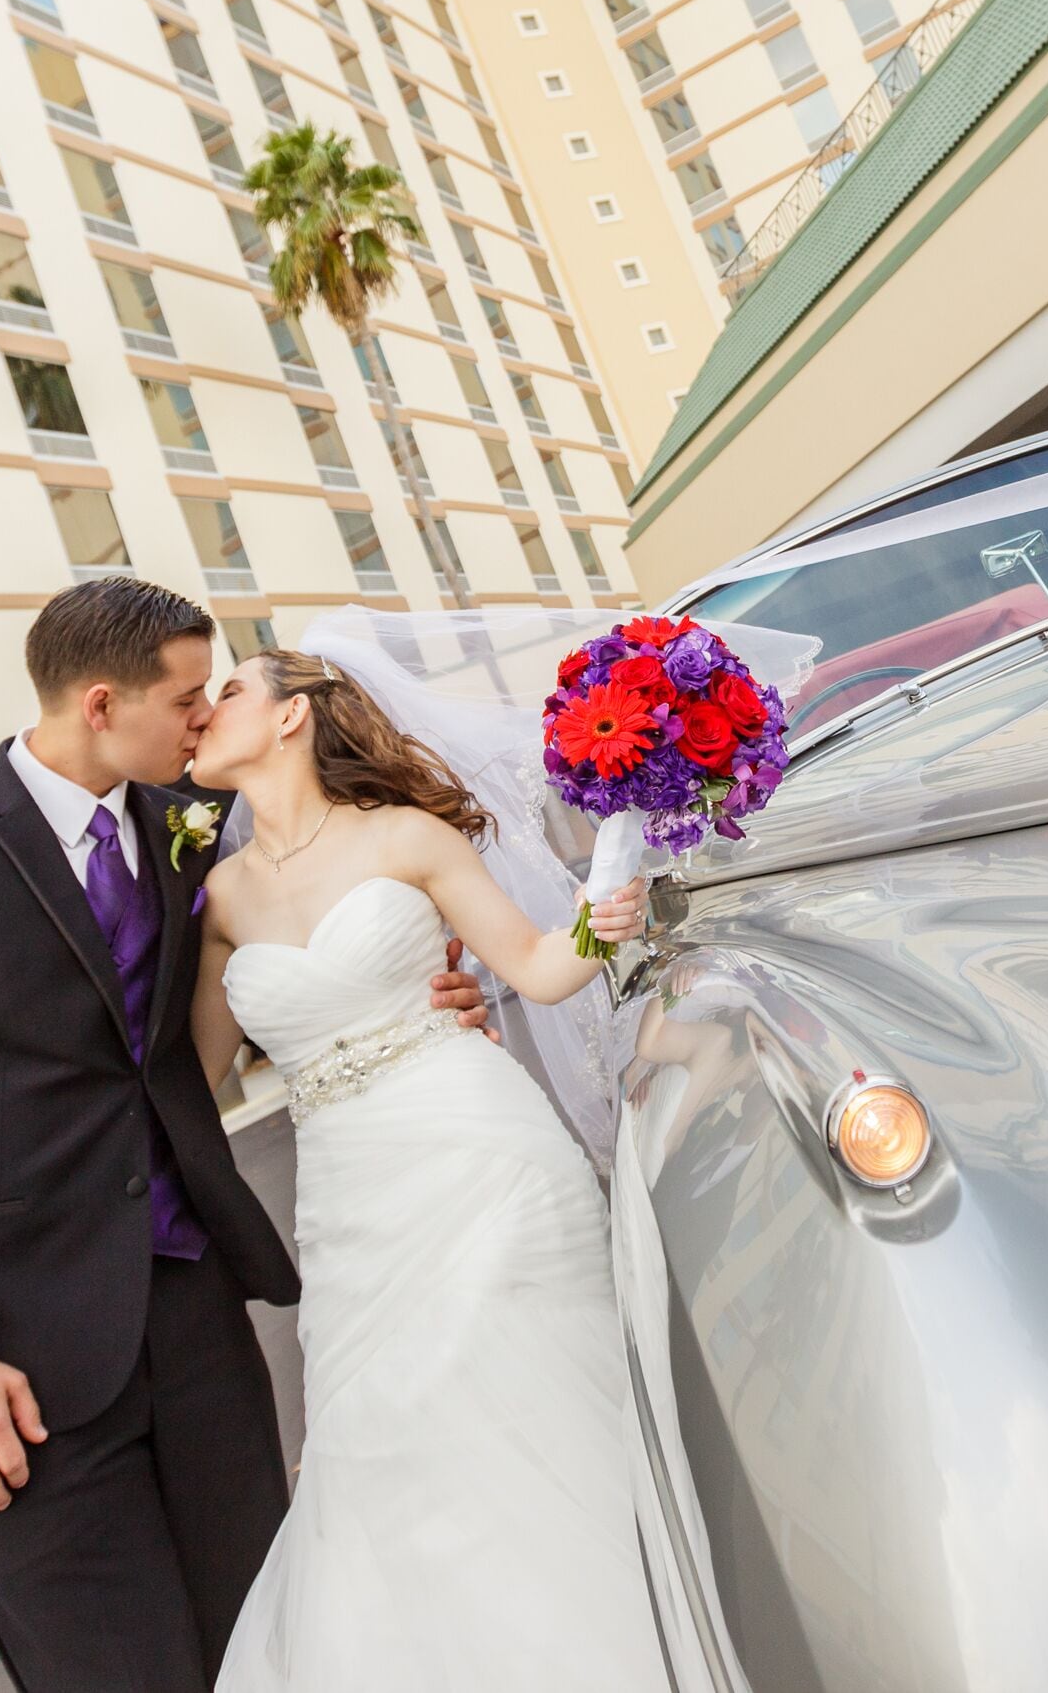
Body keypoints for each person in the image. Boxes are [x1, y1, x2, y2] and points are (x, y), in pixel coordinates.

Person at [0, 580, 505, 1693]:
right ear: (101, 700)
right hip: (9, 1366)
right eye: (183, 699)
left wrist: (421, 994)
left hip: (195, 1321)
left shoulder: (196, 836)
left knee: (270, 1642)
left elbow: (272, 961)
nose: (203, 718)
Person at [190, 650, 664, 1691]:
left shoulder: (404, 835)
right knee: (380, 1444)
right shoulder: (217, 894)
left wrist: (604, 907)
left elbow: (536, 964)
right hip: (349, 1205)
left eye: (227, 688)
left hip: (483, 1157)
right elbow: (186, 1077)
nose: (202, 708)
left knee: (534, 1411)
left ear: (289, 718)